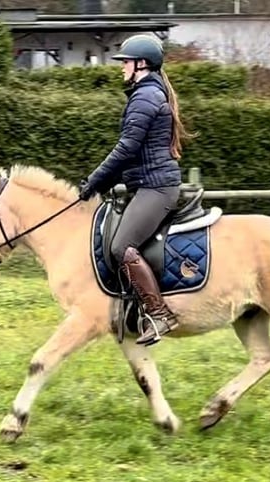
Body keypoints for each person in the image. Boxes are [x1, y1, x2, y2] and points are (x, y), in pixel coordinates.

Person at [78, 34, 191, 346]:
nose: (122, 67)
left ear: (141, 64)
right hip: (147, 184)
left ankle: (159, 314)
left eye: (126, 62)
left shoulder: (144, 98)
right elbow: (134, 153)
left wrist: (94, 182)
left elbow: (126, 149)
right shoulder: (149, 94)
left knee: (120, 246)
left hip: (156, 188)